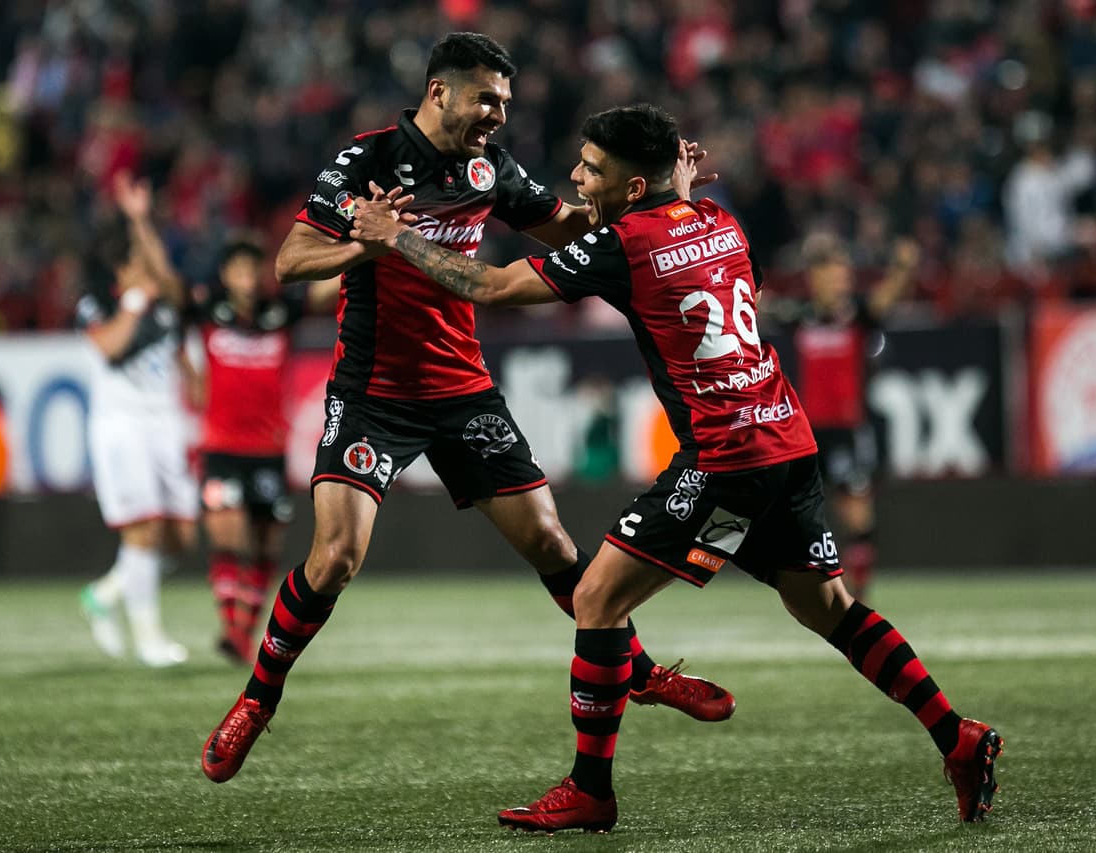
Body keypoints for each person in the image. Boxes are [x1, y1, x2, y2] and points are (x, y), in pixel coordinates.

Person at [350, 103, 1002, 832]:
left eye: (592, 168)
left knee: (596, 598)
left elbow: (492, 289)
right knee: (831, 609)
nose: (575, 176)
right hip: (788, 444)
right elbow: (671, 219)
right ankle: (958, 734)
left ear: (632, 189)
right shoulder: (721, 219)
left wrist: (395, 236)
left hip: (726, 463)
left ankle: (590, 790)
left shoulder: (623, 243)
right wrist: (675, 187)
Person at [200, 33, 732, 786]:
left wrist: (663, 197)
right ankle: (257, 697)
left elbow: (570, 228)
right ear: (440, 90)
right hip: (373, 394)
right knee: (336, 557)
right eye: (487, 97)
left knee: (552, 543)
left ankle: (637, 670)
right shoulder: (367, 161)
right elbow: (290, 262)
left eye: (505, 102)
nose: (497, 113)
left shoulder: (490, 169)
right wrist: (370, 246)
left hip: (462, 390)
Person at [187, 239, 339, 663]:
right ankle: (232, 630)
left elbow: (327, 289)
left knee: (265, 549)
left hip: (269, 450)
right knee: (227, 536)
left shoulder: (282, 311)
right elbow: (166, 284)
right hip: (221, 448)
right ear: (225, 276)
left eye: (254, 270)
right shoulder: (208, 311)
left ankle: (243, 633)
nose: (248, 278)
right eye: (239, 270)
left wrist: (365, 247)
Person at [77, 171, 199, 668]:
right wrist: (132, 300)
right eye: (138, 256)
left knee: (180, 538)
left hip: (165, 424)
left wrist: (142, 220)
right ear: (122, 266)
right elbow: (108, 348)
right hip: (121, 426)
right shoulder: (102, 304)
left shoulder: (166, 305)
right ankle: (150, 639)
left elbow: (179, 341)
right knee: (144, 528)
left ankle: (105, 594)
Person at [783, 231, 919, 600]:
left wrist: (903, 267)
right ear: (813, 278)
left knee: (856, 512)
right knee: (794, 513)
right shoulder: (799, 317)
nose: (837, 278)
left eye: (841, 270)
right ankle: (806, 583)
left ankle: (859, 592)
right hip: (805, 432)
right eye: (828, 271)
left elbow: (885, 299)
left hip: (847, 428)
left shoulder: (858, 315)